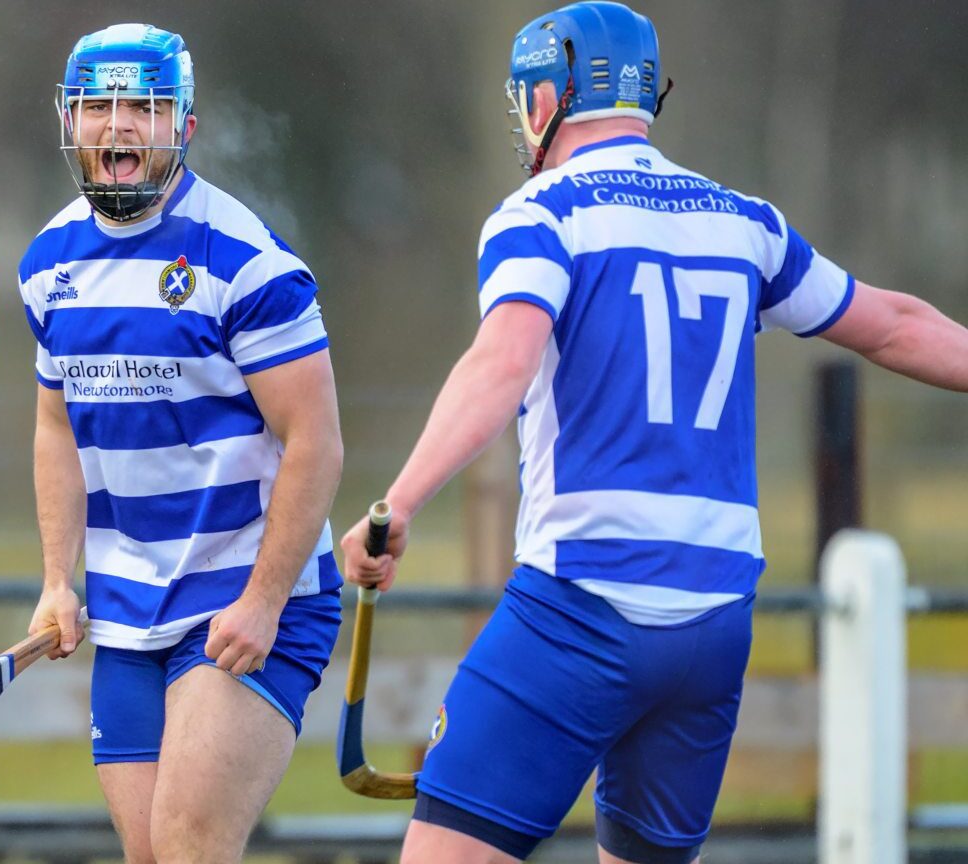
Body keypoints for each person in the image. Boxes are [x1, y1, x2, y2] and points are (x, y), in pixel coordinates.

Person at [339, 2, 968, 863]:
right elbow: (893, 322)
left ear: (549, 96)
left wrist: (399, 501)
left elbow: (500, 364)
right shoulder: (746, 220)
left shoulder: (541, 214)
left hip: (581, 606)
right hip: (712, 627)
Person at [18, 23, 344, 864]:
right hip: (128, 610)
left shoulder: (245, 263)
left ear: (185, 125)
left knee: (189, 845)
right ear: (68, 117)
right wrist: (58, 579)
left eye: (145, 107)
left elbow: (316, 442)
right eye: (98, 106)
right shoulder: (46, 265)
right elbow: (56, 429)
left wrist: (266, 600)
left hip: (244, 596)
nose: (118, 126)